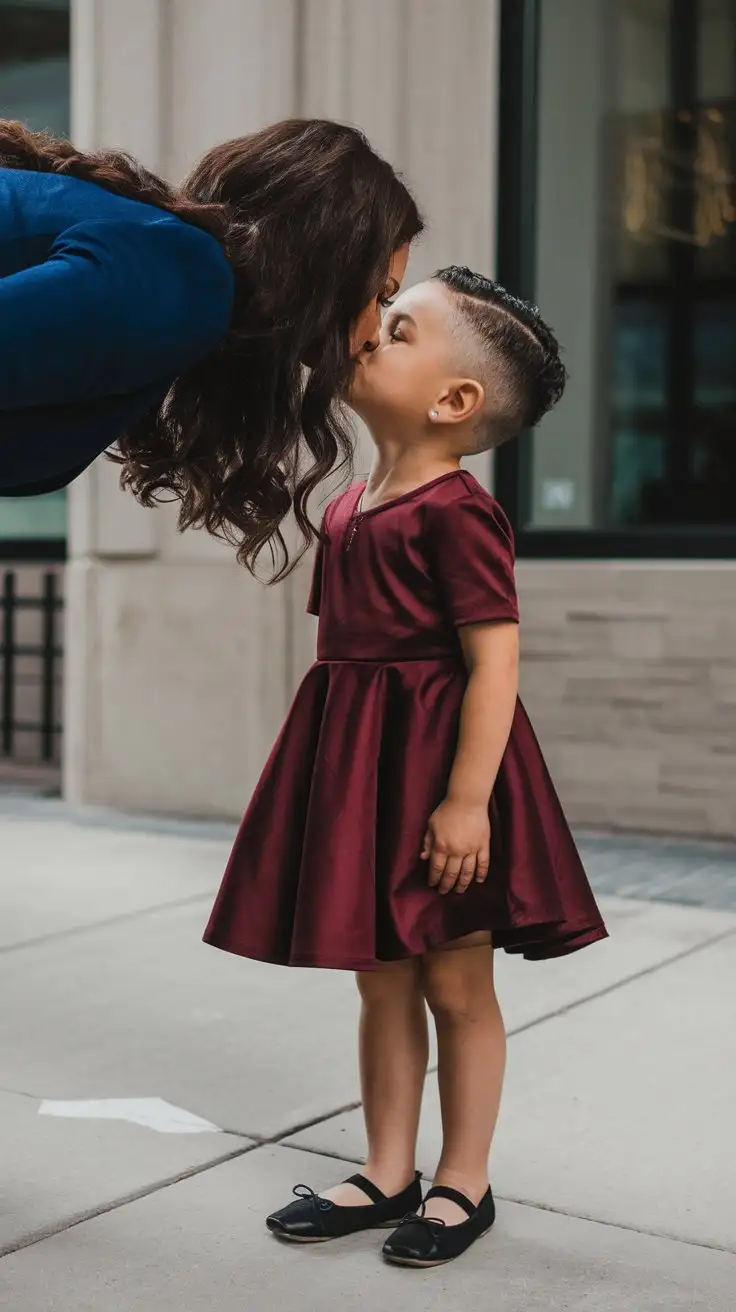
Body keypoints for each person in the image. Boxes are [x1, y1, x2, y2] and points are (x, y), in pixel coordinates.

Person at [203, 266, 608, 1267]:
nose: (365, 333)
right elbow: (349, 661)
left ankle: (461, 1180)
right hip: (358, 768)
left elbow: (493, 661)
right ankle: (388, 1167)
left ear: (453, 399)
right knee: (379, 979)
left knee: (454, 982)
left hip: (436, 774)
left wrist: (467, 802)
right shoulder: (348, 510)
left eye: (394, 326)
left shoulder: (456, 513)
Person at [0, 118, 422, 573]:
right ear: (332, 264)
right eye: (381, 294)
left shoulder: (184, 279)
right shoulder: (185, 282)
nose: (375, 332)